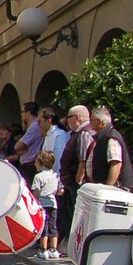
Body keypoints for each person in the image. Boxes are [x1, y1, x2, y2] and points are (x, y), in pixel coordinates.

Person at [56, 105, 93, 246]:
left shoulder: (84, 133)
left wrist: (79, 179)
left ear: (78, 117)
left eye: (69, 117)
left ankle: (78, 245)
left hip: (77, 182)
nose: (67, 121)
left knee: (77, 216)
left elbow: (83, 159)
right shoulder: (78, 134)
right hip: (72, 182)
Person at [83, 106, 133, 188]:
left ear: (100, 122)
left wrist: (108, 188)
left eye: (92, 120)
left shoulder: (111, 137)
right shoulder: (103, 136)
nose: (90, 123)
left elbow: (116, 163)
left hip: (116, 191)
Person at [31, 151, 60, 259]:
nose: (35, 164)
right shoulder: (55, 175)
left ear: (41, 163)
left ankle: (43, 250)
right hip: (53, 204)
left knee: (44, 227)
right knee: (53, 226)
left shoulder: (38, 177)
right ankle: (53, 249)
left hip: (42, 205)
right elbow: (60, 191)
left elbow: (36, 192)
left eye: (36, 162)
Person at [13, 101, 43, 182]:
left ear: (28, 113)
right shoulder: (32, 126)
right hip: (29, 165)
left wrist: (23, 148)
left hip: (31, 166)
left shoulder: (34, 126)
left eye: (22, 111)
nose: (21, 114)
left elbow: (17, 147)